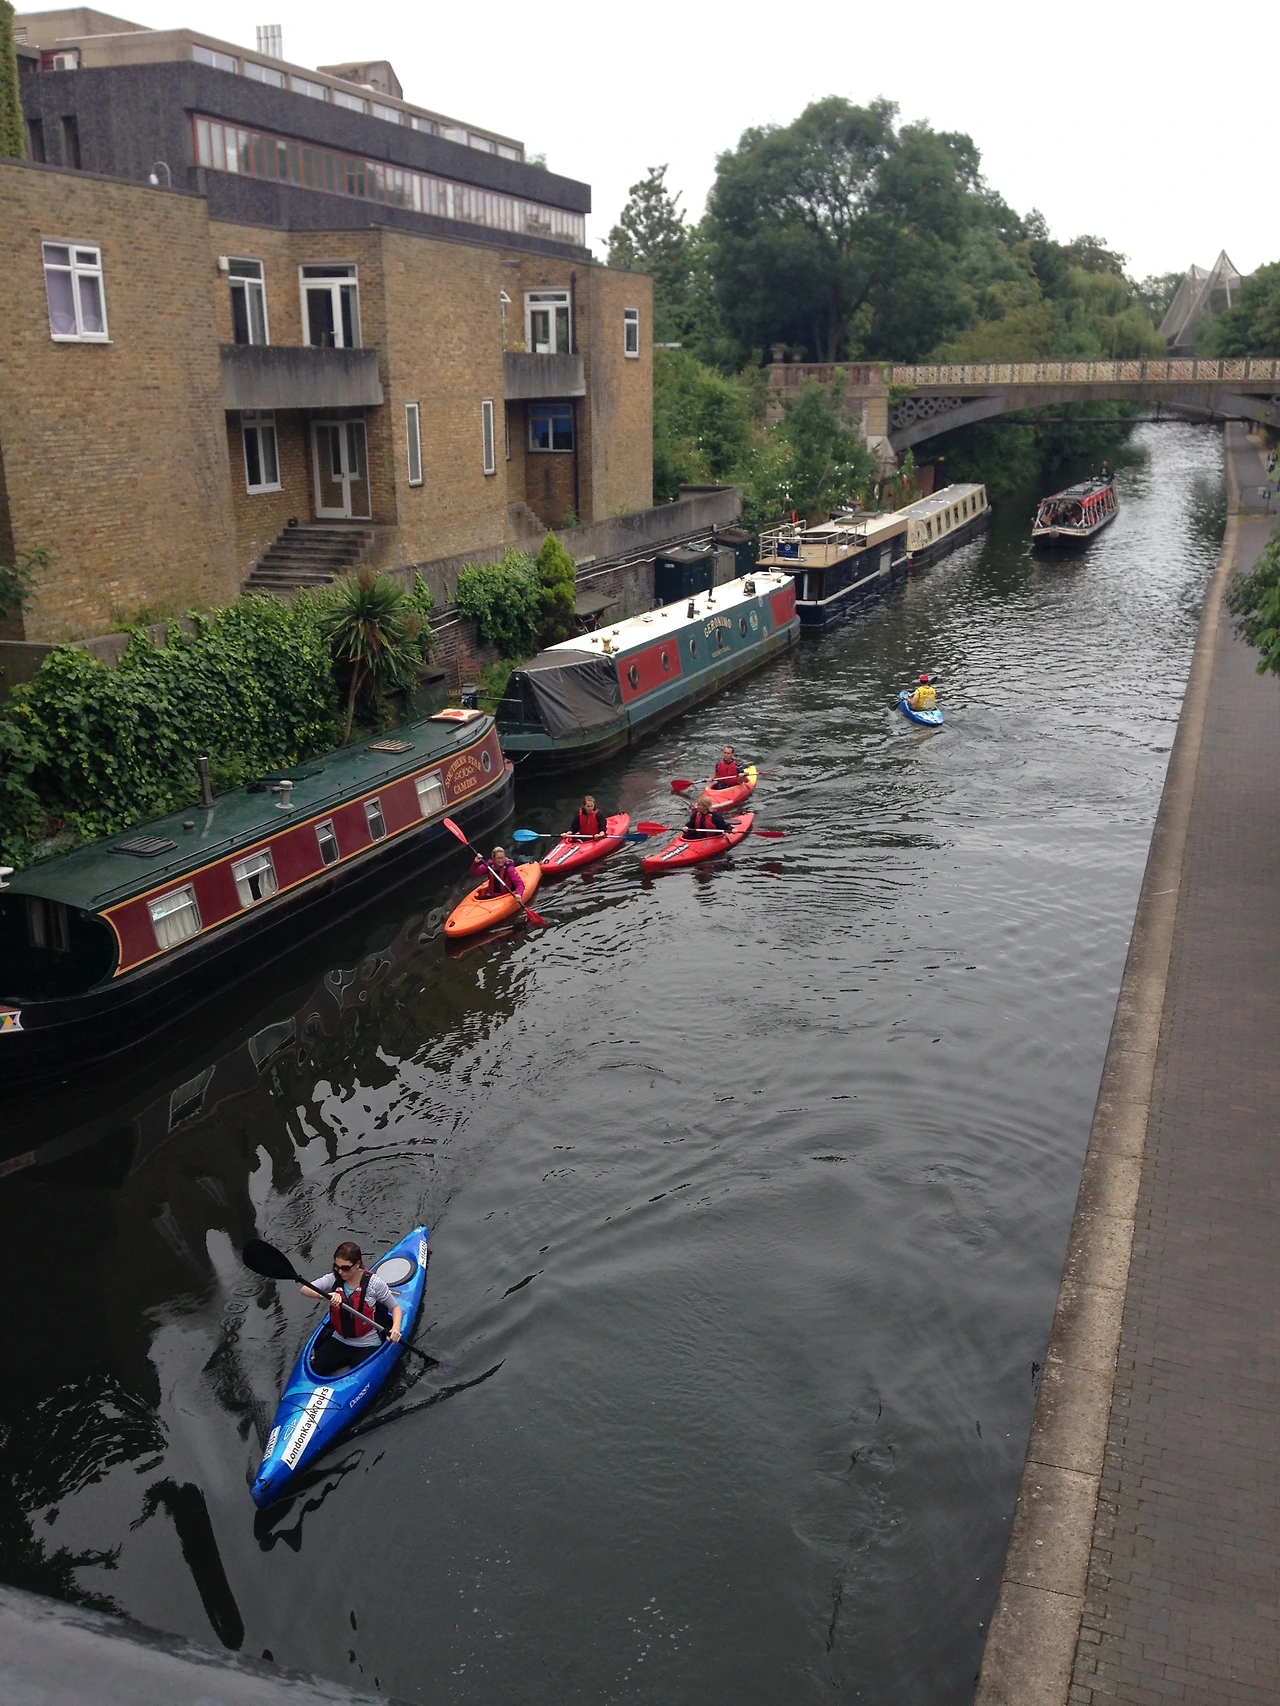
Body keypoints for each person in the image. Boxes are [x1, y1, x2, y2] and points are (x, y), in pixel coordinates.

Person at [301, 1242, 402, 1378]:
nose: (340, 1272)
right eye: (337, 1267)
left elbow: (395, 1308)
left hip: (368, 1343)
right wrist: (325, 1295)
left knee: (358, 1377)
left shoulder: (374, 1284)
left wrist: (395, 1328)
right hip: (340, 1340)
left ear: (357, 1264)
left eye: (345, 1268)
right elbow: (304, 1289)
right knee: (315, 1368)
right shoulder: (333, 1279)